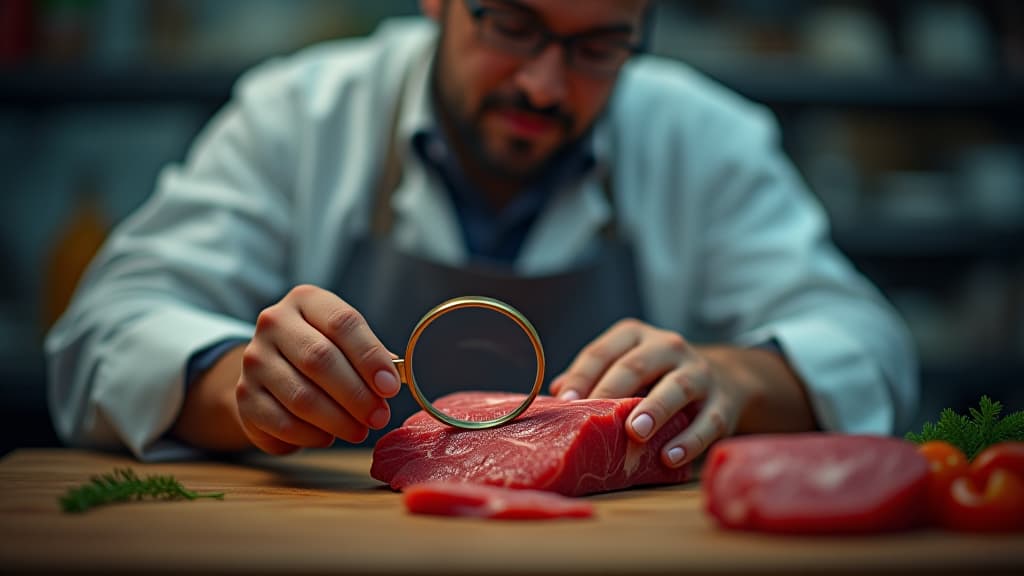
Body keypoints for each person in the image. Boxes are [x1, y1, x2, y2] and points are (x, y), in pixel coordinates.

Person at [46, 0, 917, 463]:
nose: (543, 85)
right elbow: (102, 333)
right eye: (509, 23)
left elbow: (870, 348)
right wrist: (241, 388)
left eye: (597, 47)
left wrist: (729, 376)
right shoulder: (301, 114)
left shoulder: (703, 137)